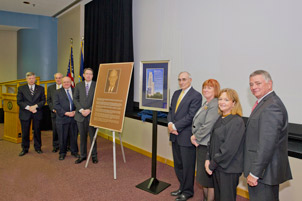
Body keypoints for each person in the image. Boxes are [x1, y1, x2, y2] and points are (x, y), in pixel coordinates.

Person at [244, 70, 292, 201]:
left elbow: (267, 144)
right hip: (264, 171)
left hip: (264, 172)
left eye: (258, 83)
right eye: (251, 84)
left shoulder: (272, 106)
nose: (253, 87)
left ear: (269, 84)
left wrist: (255, 173)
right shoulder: (265, 102)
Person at [205, 88, 245, 201]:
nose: (222, 102)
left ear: (234, 103)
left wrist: (212, 164)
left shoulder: (237, 122)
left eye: (226, 100)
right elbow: (211, 140)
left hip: (228, 170)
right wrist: (207, 158)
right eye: (220, 99)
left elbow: (228, 149)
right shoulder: (220, 118)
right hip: (218, 167)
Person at [168, 71, 202, 201]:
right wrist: (170, 124)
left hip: (186, 136)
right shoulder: (176, 93)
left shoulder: (196, 96)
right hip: (175, 135)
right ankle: (182, 187)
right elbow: (171, 110)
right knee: (178, 164)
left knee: (188, 166)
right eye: (179, 80)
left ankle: (188, 192)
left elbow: (191, 116)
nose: (181, 82)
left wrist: (175, 127)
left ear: (190, 80)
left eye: (184, 79)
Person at [190, 79, 220, 201]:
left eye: (209, 88)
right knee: (203, 179)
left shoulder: (215, 104)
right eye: (204, 87)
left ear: (215, 90)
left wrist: (195, 136)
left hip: (206, 145)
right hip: (201, 144)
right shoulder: (206, 103)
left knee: (208, 180)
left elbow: (208, 125)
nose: (205, 90)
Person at [17, 72, 46, 156]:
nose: (31, 80)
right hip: (25, 113)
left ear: (35, 79)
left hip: (37, 112)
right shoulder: (21, 88)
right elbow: (19, 101)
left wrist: (35, 107)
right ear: (26, 79)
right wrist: (29, 108)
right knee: (25, 132)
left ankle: (38, 148)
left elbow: (43, 101)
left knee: (37, 131)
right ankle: (25, 148)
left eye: (33, 78)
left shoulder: (40, 88)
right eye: (29, 78)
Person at [74, 68, 98, 164]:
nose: (88, 75)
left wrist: (90, 110)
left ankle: (94, 156)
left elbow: (98, 99)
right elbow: (75, 99)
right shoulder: (78, 85)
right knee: (82, 137)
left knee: (93, 137)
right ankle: (82, 156)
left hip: (92, 115)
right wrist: (81, 110)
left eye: (90, 74)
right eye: (86, 74)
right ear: (83, 75)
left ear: (92, 75)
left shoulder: (96, 85)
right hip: (80, 115)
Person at [53, 76, 79, 160]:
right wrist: (66, 113)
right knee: (62, 137)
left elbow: (80, 102)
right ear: (61, 83)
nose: (66, 83)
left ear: (71, 82)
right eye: (64, 82)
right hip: (62, 118)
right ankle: (62, 153)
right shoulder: (57, 92)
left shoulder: (76, 91)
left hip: (74, 117)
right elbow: (56, 105)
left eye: (68, 82)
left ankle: (74, 152)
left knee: (74, 136)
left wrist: (75, 111)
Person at [47, 72, 63, 153]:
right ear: (55, 79)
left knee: (64, 130)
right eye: (56, 78)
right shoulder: (50, 88)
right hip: (54, 113)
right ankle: (55, 146)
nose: (58, 79)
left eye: (60, 78)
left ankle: (65, 146)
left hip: (64, 113)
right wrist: (53, 109)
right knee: (55, 130)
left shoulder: (66, 86)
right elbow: (49, 100)